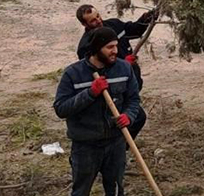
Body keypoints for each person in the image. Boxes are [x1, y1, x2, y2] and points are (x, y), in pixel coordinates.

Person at [54, 27, 142, 196]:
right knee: (81, 191)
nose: (115, 51)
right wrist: (90, 93)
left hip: (115, 142)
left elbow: (133, 99)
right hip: (85, 145)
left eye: (116, 46)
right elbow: (61, 108)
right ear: (96, 48)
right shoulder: (73, 74)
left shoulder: (124, 68)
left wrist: (128, 116)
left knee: (116, 190)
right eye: (110, 47)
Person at [76, 4, 152, 139]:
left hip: (130, 82)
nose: (98, 20)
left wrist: (148, 17)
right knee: (136, 117)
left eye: (98, 16)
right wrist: (122, 65)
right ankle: (118, 146)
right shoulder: (85, 46)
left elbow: (135, 30)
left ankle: (120, 147)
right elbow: (96, 71)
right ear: (84, 24)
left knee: (135, 117)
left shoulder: (114, 25)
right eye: (93, 20)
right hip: (113, 91)